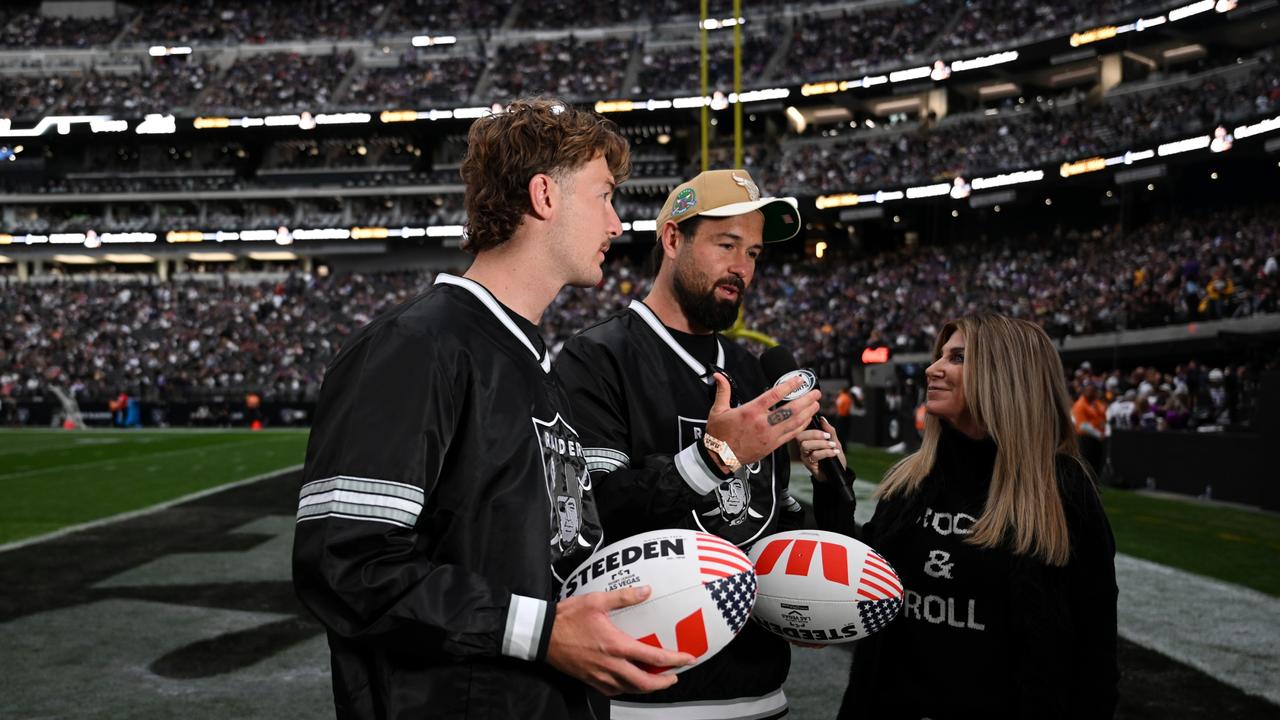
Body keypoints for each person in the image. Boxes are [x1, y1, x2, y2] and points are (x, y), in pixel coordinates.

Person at [291, 98, 694, 720]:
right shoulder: (417, 346)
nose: (618, 224)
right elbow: (348, 564)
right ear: (544, 195)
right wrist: (540, 633)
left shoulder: (531, 361)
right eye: (604, 195)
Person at [555, 169, 854, 720]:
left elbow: (764, 526)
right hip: (646, 700)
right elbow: (592, 519)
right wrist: (712, 458)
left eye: (755, 254)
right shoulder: (594, 357)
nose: (742, 267)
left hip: (764, 694)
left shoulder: (751, 371)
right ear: (672, 239)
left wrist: (830, 494)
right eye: (726, 244)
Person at [836, 313, 1119, 719]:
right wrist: (833, 489)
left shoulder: (1061, 491)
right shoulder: (910, 481)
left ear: (1006, 375)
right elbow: (856, 589)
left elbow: (1096, 658)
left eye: (958, 358)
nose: (933, 369)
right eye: (940, 356)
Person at [1073, 382, 1109, 476]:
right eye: (1089, 390)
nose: (1091, 393)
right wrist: (1099, 434)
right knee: (1086, 464)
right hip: (1085, 439)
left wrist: (1105, 431)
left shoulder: (1097, 404)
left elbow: (1103, 419)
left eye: (1093, 391)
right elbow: (1083, 425)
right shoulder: (1080, 405)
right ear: (1084, 391)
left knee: (1096, 464)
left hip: (1097, 440)